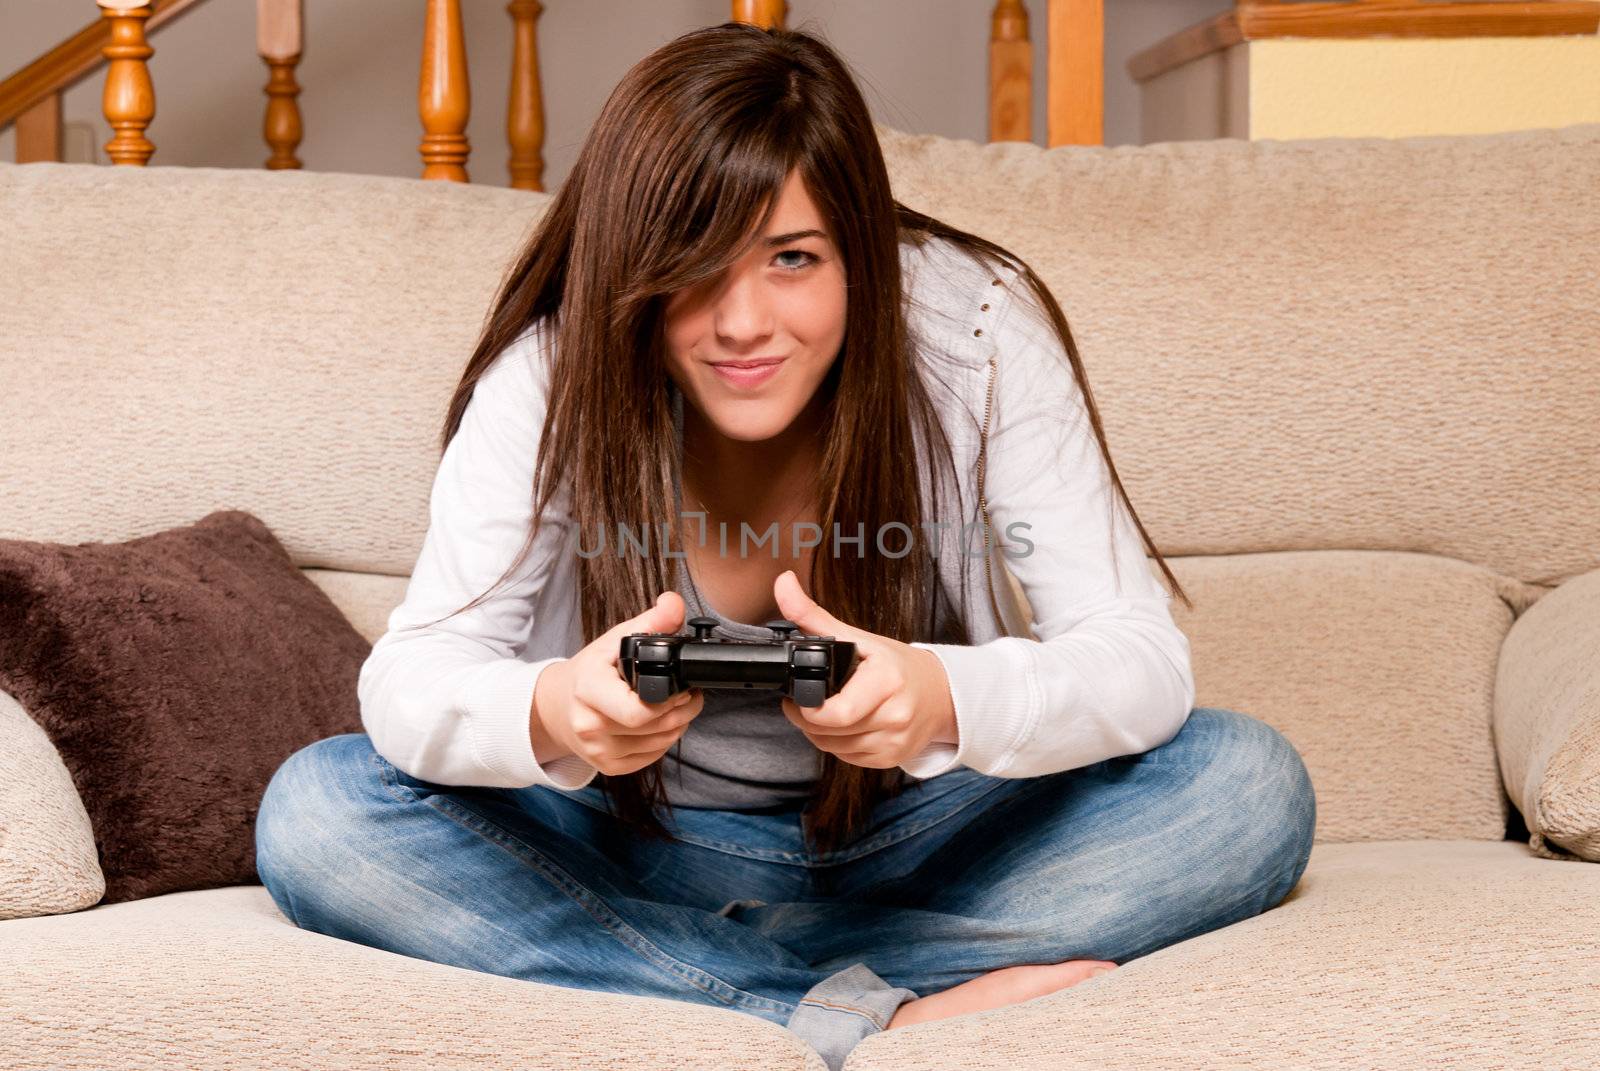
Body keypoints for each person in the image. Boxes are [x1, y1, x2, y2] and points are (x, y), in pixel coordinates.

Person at [254, 22, 1316, 1071]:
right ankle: (863, 1005)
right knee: (319, 812)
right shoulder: (551, 374)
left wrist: (938, 696)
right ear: (634, 260)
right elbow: (410, 681)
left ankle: (675, 970)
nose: (743, 322)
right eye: (695, 268)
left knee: (1245, 783)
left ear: (860, 248)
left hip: (916, 844)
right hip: (623, 841)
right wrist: (557, 708)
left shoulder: (974, 331)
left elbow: (1139, 657)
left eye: (793, 260)